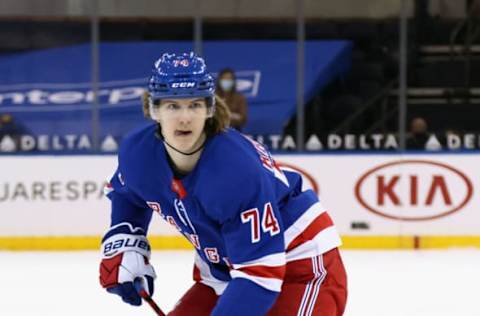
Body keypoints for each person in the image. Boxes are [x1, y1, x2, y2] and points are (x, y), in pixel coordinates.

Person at [99, 52, 347, 316]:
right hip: (225, 273)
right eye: (172, 106)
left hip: (300, 268)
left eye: (195, 105)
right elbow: (127, 193)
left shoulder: (234, 171)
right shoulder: (139, 153)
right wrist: (126, 238)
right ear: (153, 109)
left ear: (209, 109)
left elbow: (260, 274)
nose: (184, 118)